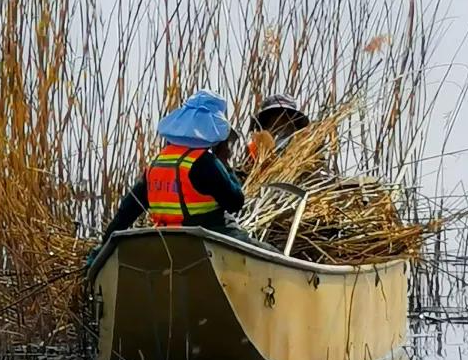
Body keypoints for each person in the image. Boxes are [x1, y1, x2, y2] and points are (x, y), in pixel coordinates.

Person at [93, 91, 255, 254]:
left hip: (166, 241)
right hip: (206, 242)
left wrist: (104, 246)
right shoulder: (206, 163)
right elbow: (235, 203)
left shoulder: (157, 163)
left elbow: (127, 211)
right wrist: (224, 162)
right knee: (268, 251)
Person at [246, 93, 310, 158]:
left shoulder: (303, 154)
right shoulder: (252, 153)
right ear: (264, 127)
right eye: (275, 127)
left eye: (285, 127)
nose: (280, 134)